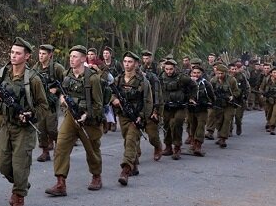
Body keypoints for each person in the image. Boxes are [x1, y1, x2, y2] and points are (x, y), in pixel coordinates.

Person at [0, 37, 48, 206]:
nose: (13, 56)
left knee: (20, 165)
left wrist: (30, 114)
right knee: (2, 165)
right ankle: (21, 184)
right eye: (12, 52)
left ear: (27, 56)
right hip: (6, 124)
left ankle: (19, 200)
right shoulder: (2, 74)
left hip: (24, 128)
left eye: (18, 53)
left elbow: (44, 107)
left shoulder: (34, 79)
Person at [45, 45, 104, 196]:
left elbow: (98, 104)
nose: (71, 59)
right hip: (71, 117)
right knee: (61, 147)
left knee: (92, 150)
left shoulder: (93, 78)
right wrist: (62, 99)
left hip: (88, 120)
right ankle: (60, 183)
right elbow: (62, 95)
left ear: (83, 59)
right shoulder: (66, 75)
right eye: (70, 56)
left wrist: (87, 116)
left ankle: (96, 176)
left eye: (75, 56)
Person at [111, 52, 153, 186]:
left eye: (130, 62)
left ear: (136, 64)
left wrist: (142, 117)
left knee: (130, 140)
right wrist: (114, 99)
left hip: (137, 117)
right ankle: (133, 164)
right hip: (123, 116)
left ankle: (125, 170)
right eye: (125, 61)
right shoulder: (118, 80)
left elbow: (148, 101)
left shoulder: (143, 82)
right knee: (127, 139)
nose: (127, 64)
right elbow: (109, 93)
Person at [33, 44, 65, 162]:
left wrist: (57, 89)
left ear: (50, 55)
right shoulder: (35, 68)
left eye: (44, 54)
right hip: (40, 102)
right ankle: (45, 152)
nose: (41, 56)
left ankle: (58, 146)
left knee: (51, 127)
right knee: (41, 128)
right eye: (40, 53)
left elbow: (66, 82)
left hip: (51, 102)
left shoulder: (57, 68)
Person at [159, 59, 195, 160]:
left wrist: (191, 98)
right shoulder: (161, 77)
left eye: (171, 69)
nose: (169, 71)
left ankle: (177, 147)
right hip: (167, 106)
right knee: (166, 125)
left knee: (176, 123)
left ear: (175, 68)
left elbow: (194, 85)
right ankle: (168, 147)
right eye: (167, 69)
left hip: (180, 106)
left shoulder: (182, 77)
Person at [209, 63, 240, 148]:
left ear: (225, 73)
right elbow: (210, 92)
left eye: (222, 73)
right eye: (218, 73)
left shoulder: (232, 80)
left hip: (229, 104)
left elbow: (237, 91)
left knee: (227, 120)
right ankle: (220, 134)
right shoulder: (213, 81)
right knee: (218, 121)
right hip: (218, 104)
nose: (220, 75)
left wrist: (232, 96)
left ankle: (223, 138)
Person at [187, 65, 215, 156]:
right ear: (191, 73)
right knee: (192, 126)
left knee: (201, 126)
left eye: (198, 73)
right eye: (194, 73)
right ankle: (193, 142)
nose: (196, 74)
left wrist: (210, 103)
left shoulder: (206, 84)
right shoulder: (187, 83)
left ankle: (198, 145)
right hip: (191, 109)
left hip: (202, 109)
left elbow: (212, 96)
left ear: (201, 73)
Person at [229, 63, 249, 136]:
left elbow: (246, 87)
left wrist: (245, 96)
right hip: (230, 99)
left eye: (235, 69)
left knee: (237, 116)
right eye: (233, 69)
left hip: (239, 99)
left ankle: (238, 125)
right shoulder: (227, 77)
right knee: (229, 116)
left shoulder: (242, 76)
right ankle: (229, 130)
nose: (234, 70)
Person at [259, 67, 276, 135]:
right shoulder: (266, 80)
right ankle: (269, 123)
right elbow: (261, 88)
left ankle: (272, 127)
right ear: (271, 73)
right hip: (268, 99)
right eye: (274, 72)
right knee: (268, 113)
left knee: (275, 113)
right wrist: (262, 95)